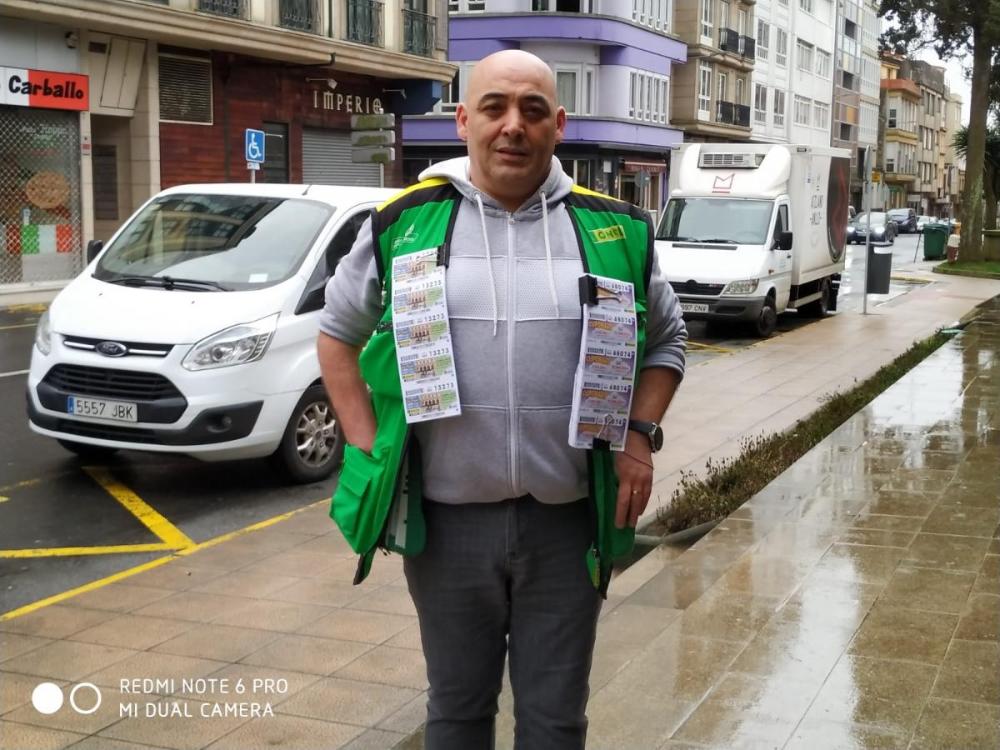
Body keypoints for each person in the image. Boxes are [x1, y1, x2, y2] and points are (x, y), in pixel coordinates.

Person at [317, 49, 686, 750]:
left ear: (558, 125)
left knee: (555, 721)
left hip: (569, 521)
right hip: (447, 526)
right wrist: (368, 449)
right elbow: (337, 335)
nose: (512, 125)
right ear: (464, 120)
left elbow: (667, 342)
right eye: (494, 107)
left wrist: (639, 436)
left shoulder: (616, 230)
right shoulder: (405, 222)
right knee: (455, 713)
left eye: (532, 110)